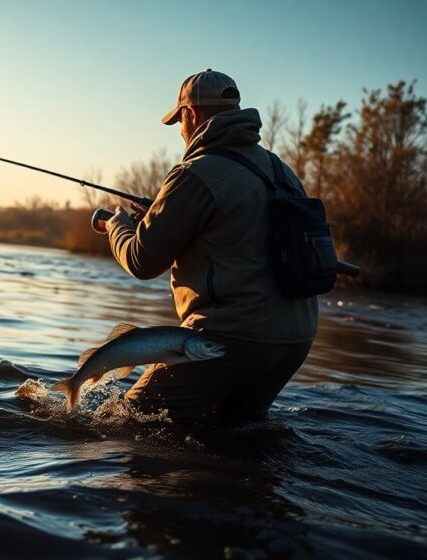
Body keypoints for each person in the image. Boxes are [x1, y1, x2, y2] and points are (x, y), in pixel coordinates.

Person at [99, 69, 317, 425]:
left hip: (233, 338)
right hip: (295, 341)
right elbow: (236, 232)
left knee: (130, 423)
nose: (181, 133)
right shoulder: (280, 170)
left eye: (180, 121)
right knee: (234, 437)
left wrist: (116, 226)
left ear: (192, 115)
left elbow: (141, 261)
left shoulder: (195, 172)